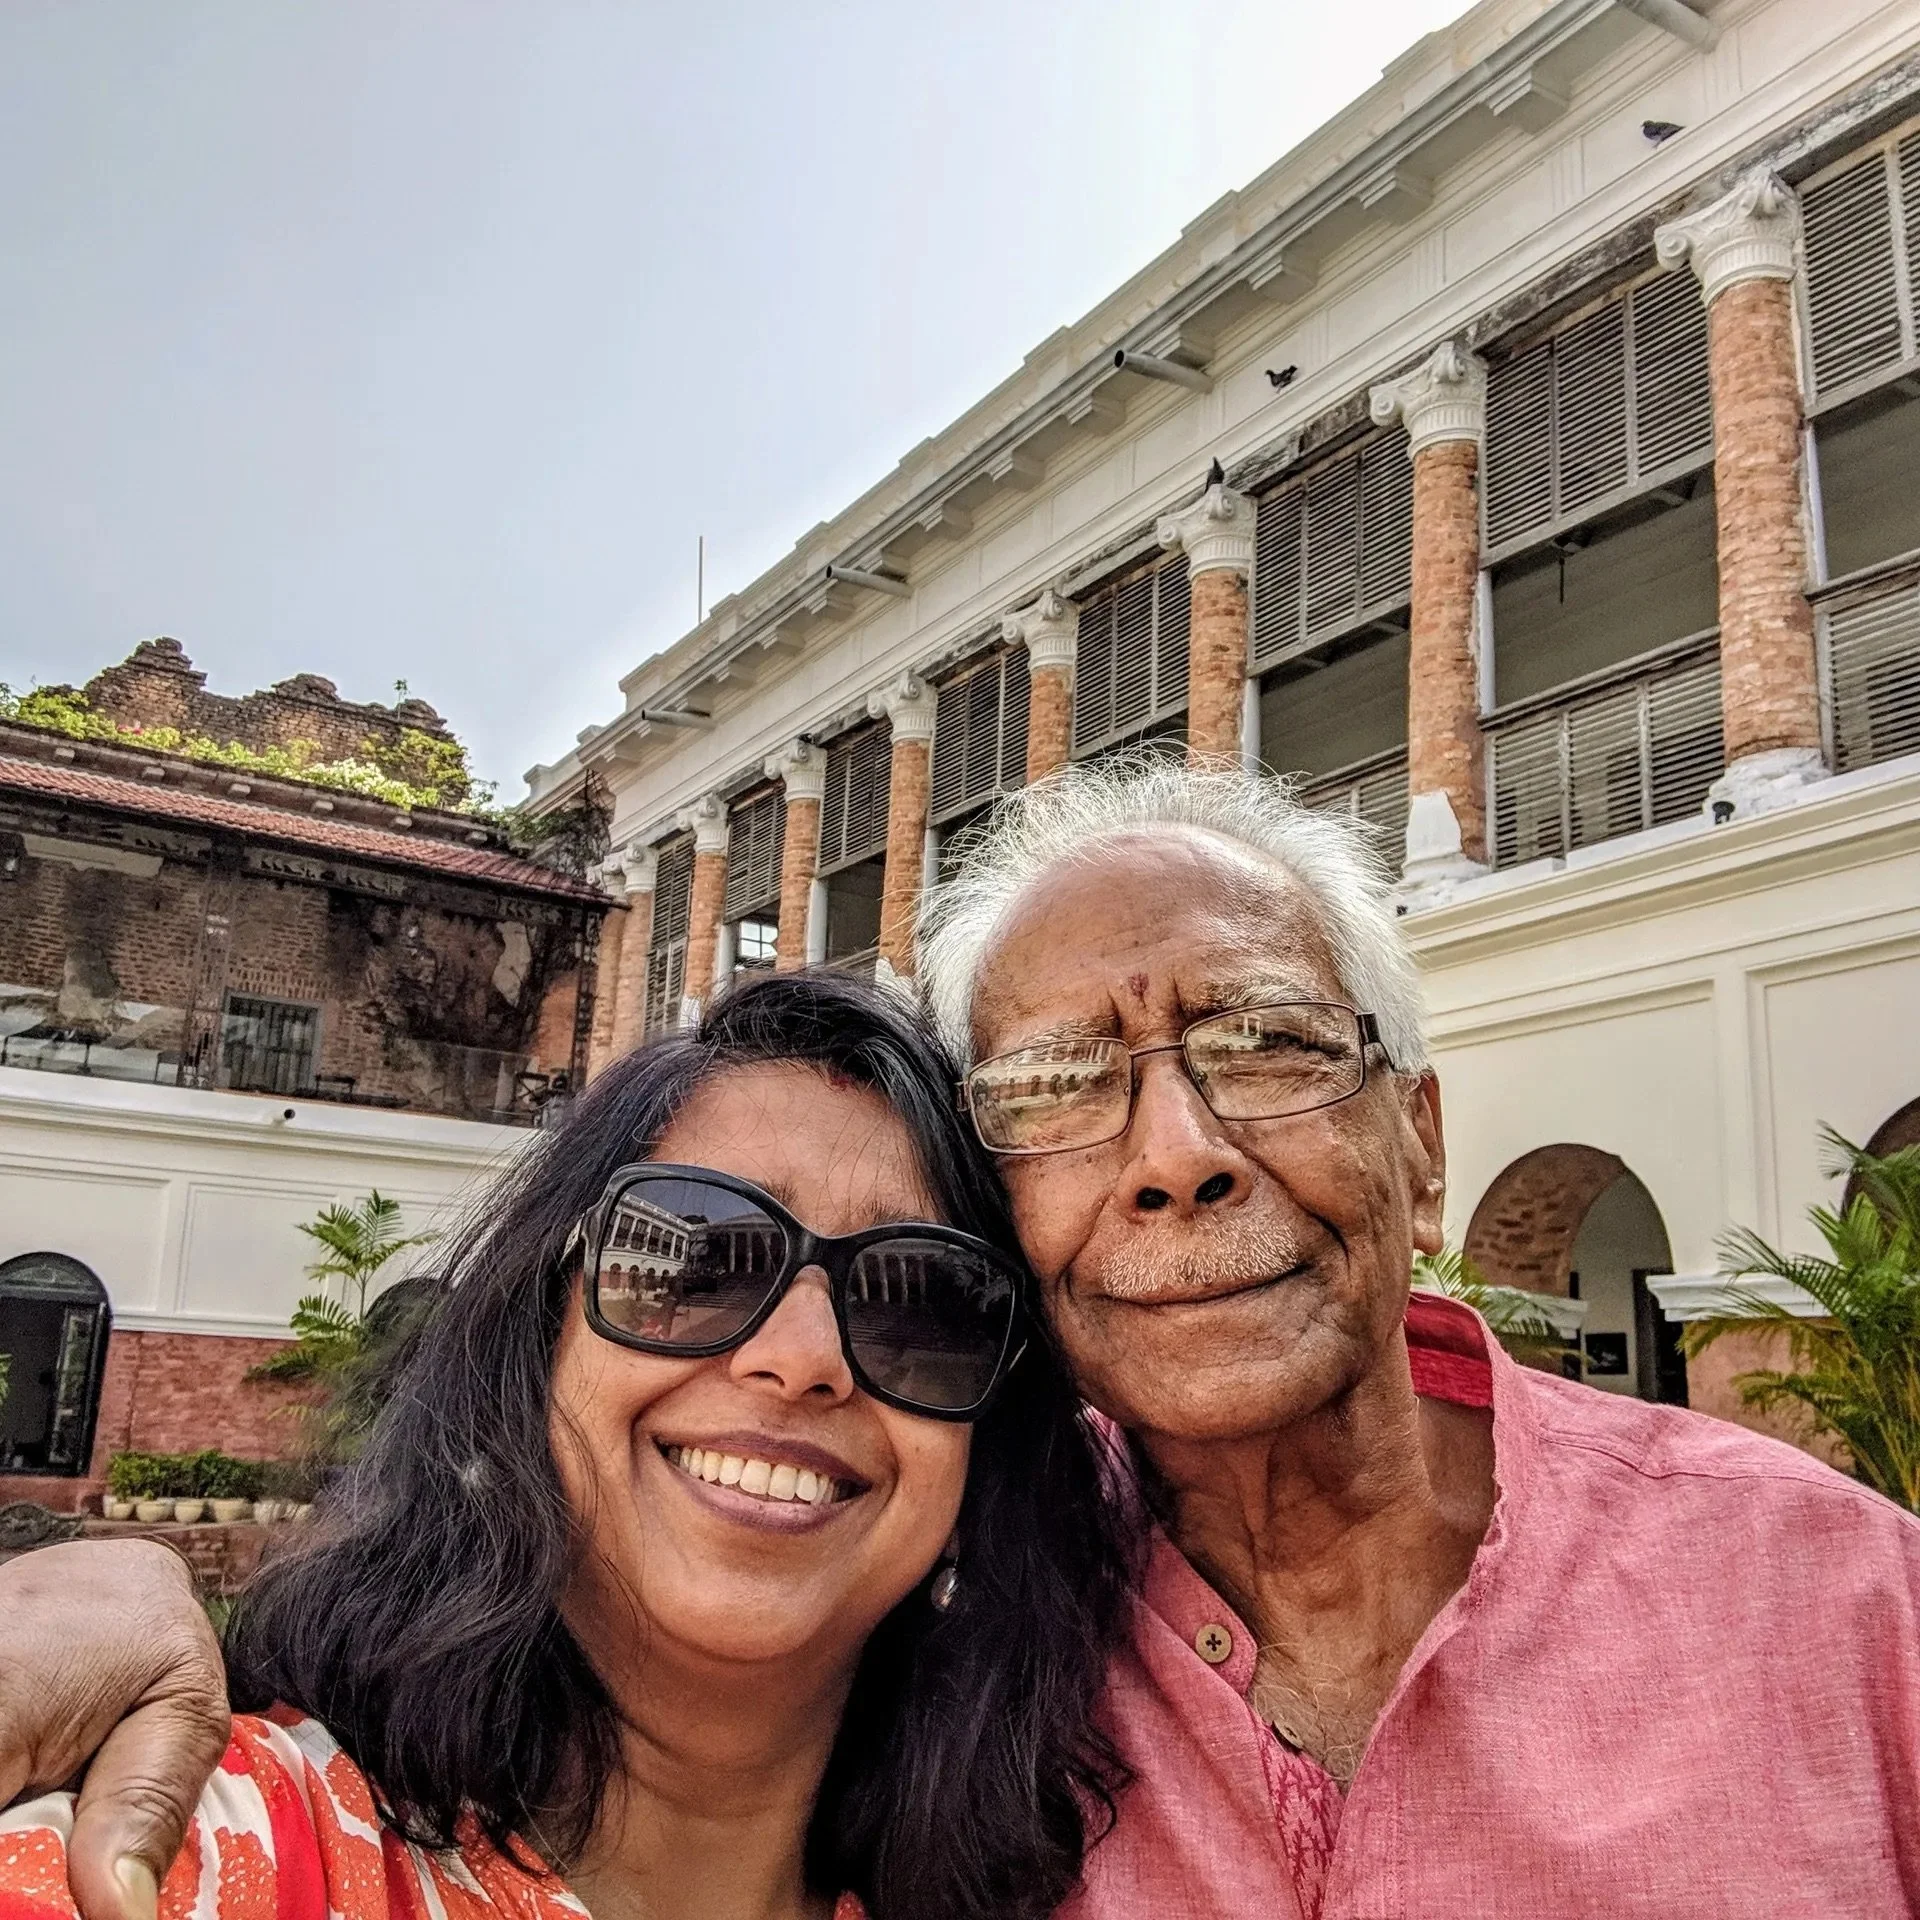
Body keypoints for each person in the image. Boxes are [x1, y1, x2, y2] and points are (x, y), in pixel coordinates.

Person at [10, 760, 1920, 1916]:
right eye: (1063, 1092)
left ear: (1418, 1142)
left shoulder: (1842, 1611)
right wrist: (116, 1605)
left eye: (1261, 1045)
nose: (1175, 1160)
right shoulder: (977, 1646)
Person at [0, 971, 1135, 1920]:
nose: (802, 1358)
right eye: (693, 1255)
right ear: (533, 1351)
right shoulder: (205, 1851)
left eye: (922, 1302)